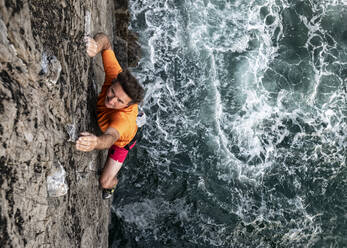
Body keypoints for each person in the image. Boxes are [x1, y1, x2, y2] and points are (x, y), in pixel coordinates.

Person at [76, 33, 144, 199]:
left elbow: (111, 137)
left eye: (119, 101)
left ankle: (113, 186)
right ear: (114, 82)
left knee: (104, 182)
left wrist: (96, 142)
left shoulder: (122, 120)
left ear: (127, 106)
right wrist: (95, 45)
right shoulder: (115, 74)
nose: (111, 100)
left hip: (124, 141)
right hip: (127, 119)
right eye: (112, 92)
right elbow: (105, 40)